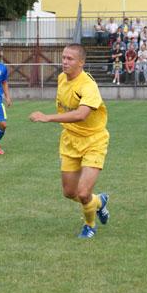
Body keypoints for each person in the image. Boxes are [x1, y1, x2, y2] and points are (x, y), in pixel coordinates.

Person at [29, 44, 110, 239]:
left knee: (83, 193)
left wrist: (47, 117)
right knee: (69, 192)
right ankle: (99, 202)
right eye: (64, 57)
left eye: (70, 59)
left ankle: (89, 226)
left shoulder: (88, 86)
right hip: (69, 141)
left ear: (81, 62)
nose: (64, 62)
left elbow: (82, 114)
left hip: (94, 141)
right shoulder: (61, 79)